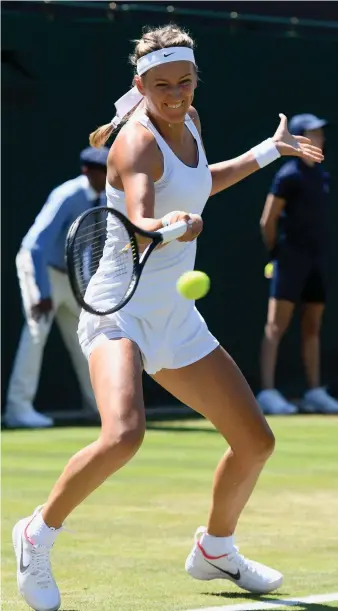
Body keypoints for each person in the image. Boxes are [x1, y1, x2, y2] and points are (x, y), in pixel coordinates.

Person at [12, 25, 324, 611]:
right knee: (124, 434)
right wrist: (174, 227)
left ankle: (215, 549)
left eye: (184, 82)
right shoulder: (135, 143)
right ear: (140, 85)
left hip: (175, 314)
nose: (176, 94)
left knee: (255, 441)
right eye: (161, 86)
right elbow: (138, 219)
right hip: (118, 311)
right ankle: (38, 532)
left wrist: (266, 151)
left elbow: (201, 184)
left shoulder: (194, 122)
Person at [4, 147, 109, 429]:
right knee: (36, 333)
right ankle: (18, 409)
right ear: (87, 171)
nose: (110, 175)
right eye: (104, 170)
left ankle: (100, 408)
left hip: (70, 276)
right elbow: (37, 246)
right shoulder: (67, 196)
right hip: (40, 269)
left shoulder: (106, 196)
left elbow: (88, 247)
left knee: (85, 339)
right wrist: (42, 292)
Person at [257, 114, 338, 416]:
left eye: (321, 134)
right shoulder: (288, 175)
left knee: (312, 325)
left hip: (316, 261)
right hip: (289, 259)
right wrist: (277, 252)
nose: (320, 139)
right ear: (300, 138)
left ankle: (315, 391)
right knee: (275, 327)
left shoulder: (321, 175)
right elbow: (268, 220)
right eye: (314, 134)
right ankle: (267, 391)